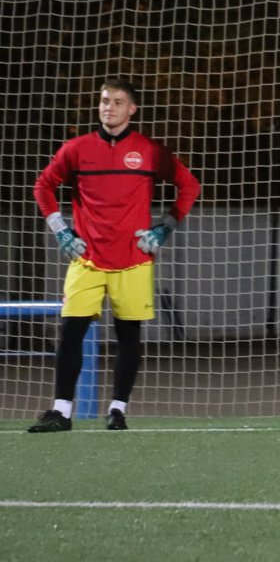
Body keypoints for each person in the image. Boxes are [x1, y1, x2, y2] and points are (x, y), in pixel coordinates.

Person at [28, 79, 200, 432]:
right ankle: (61, 412)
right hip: (86, 258)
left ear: (132, 109)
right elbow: (43, 185)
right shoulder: (76, 149)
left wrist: (164, 228)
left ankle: (118, 410)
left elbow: (190, 185)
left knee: (128, 336)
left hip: (134, 259)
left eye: (118, 102)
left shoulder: (150, 150)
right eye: (105, 100)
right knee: (70, 332)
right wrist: (60, 230)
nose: (109, 107)